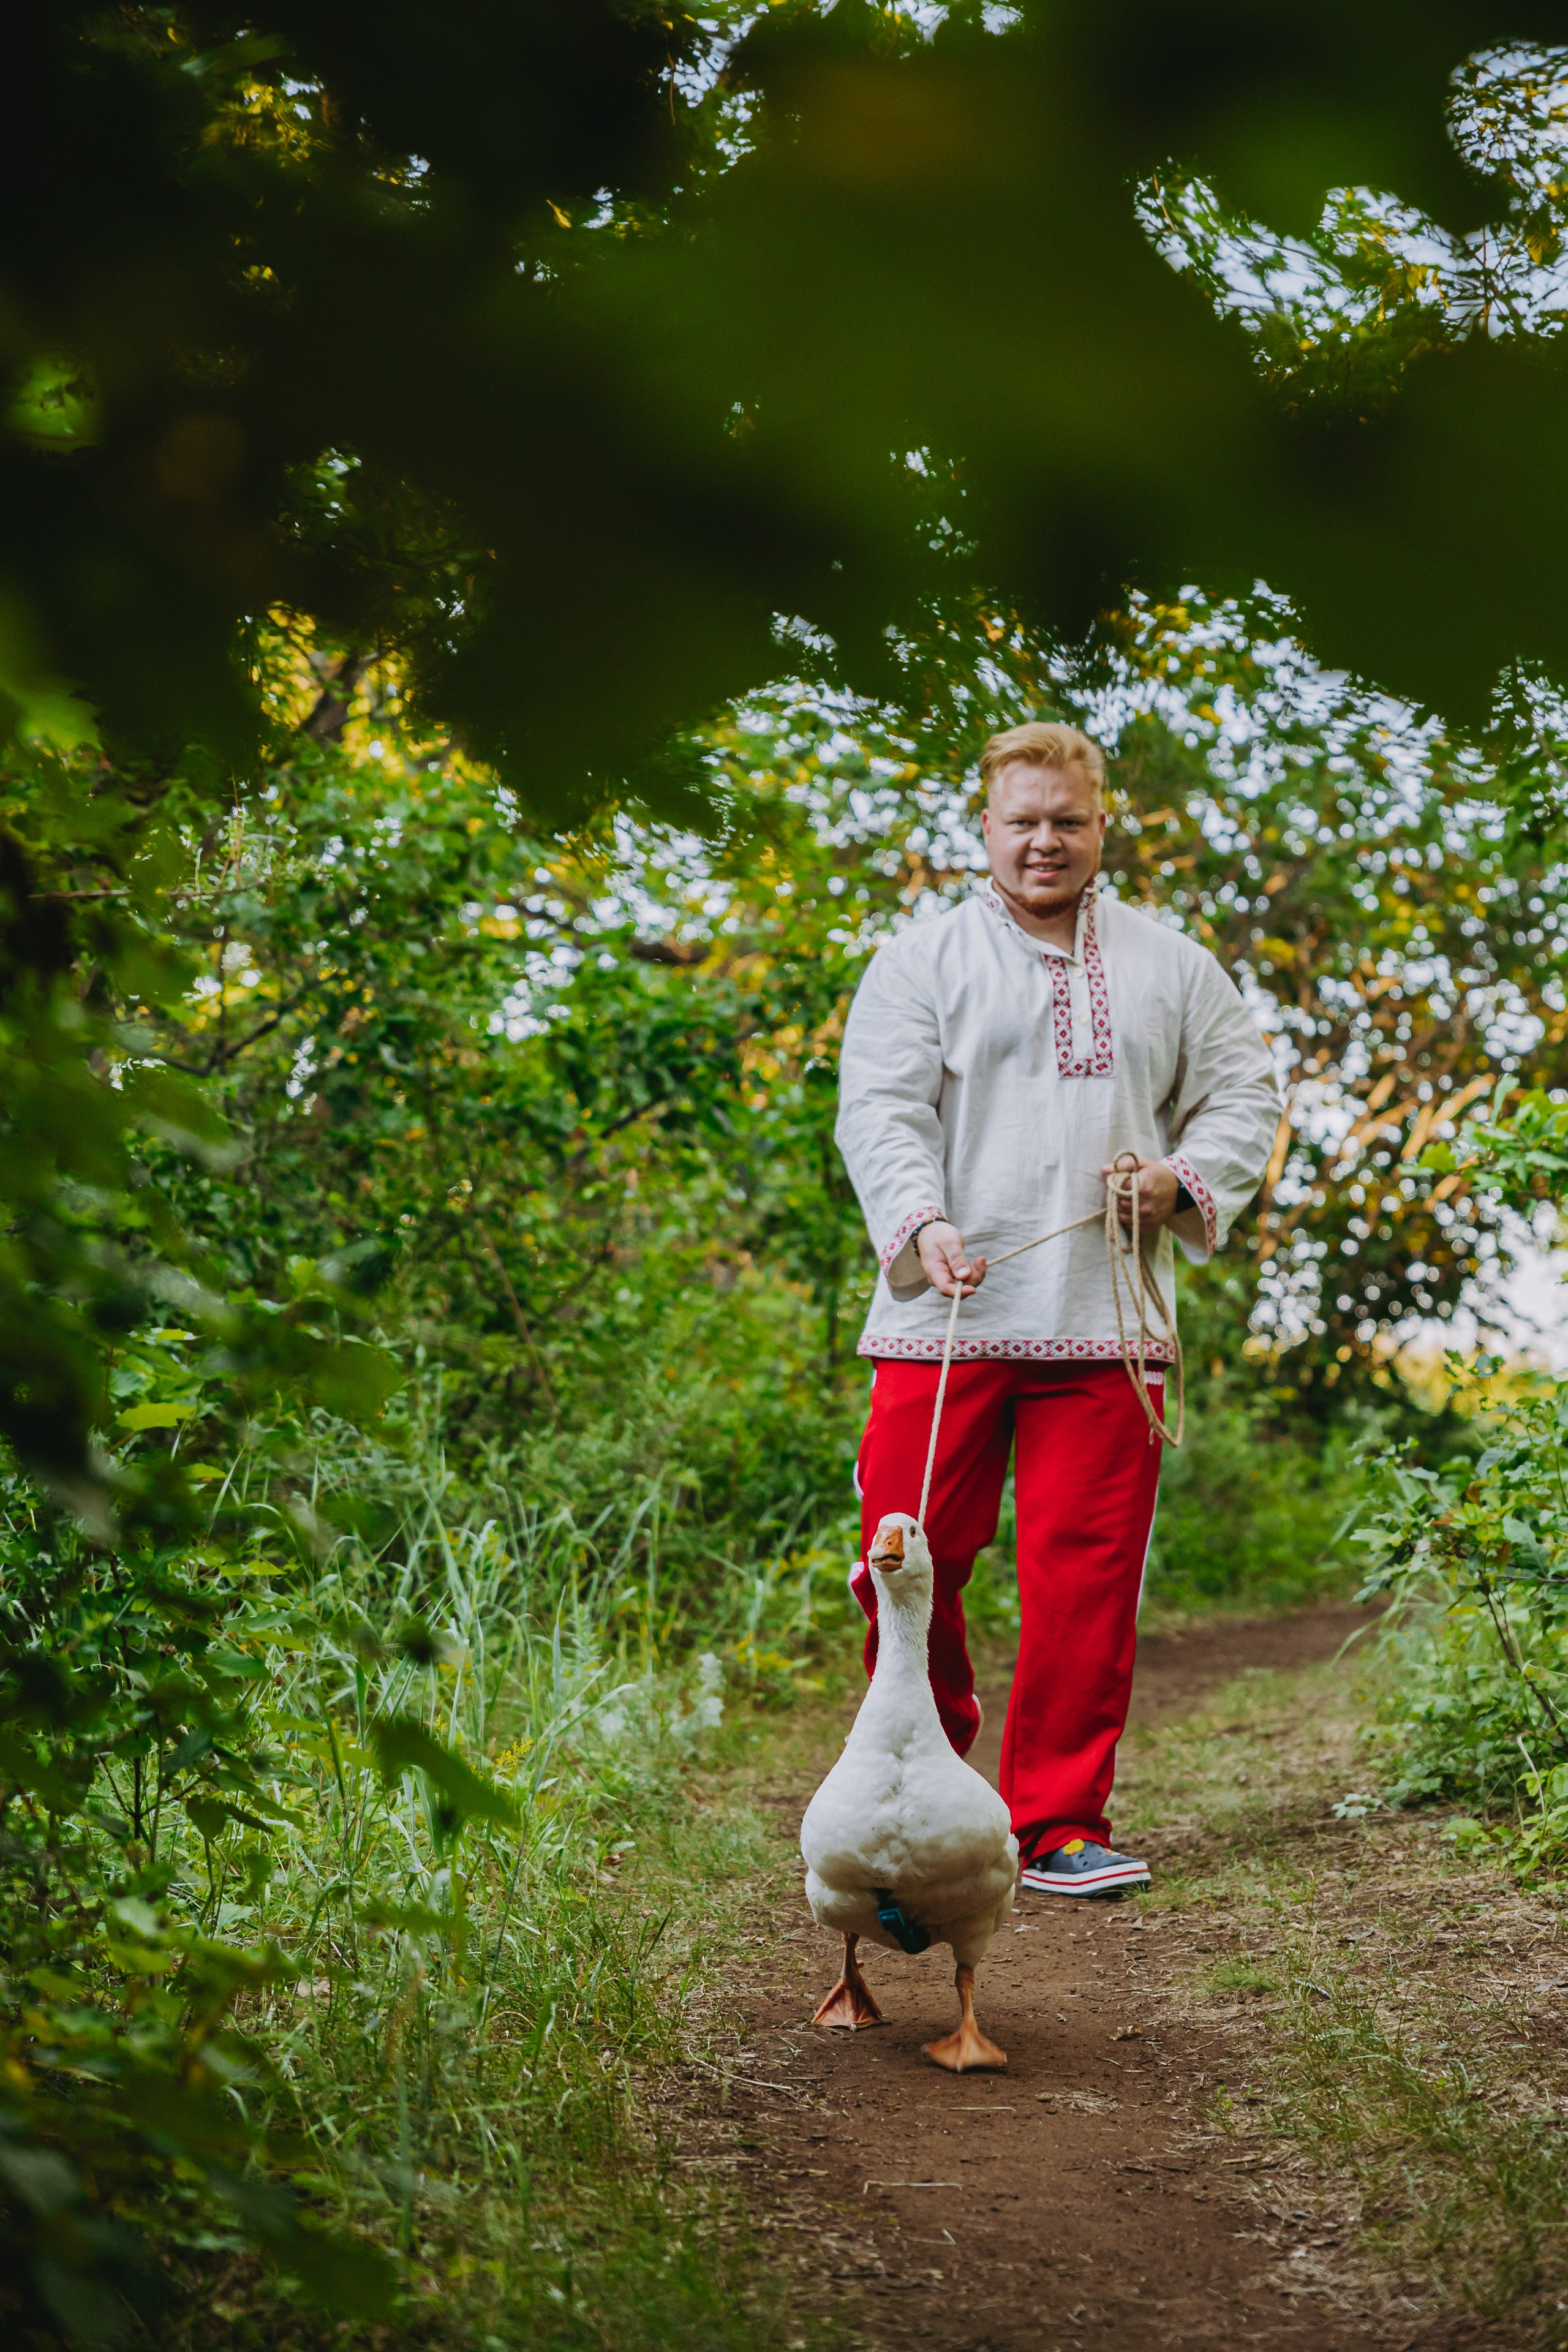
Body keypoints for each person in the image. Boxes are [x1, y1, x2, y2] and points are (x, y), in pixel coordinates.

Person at [835, 720, 1280, 1897]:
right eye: (1022, 822)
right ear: (984, 826)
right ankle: (920, 1779)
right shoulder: (918, 961)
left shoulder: (1170, 963)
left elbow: (1244, 1091)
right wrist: (920, 1223)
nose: (1045, 842)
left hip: (1110, 1321)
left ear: (1100, 826)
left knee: (1087, 1574)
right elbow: (881, 1111)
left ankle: (1059, 1822)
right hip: (946, 1316)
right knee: (907, 1563)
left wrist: (1181, 1181)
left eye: (1066, 822)